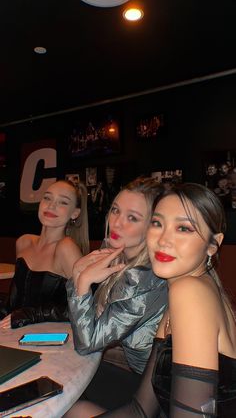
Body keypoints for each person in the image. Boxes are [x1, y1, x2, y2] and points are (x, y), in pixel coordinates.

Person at [71, 182, 236, 418]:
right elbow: (141, 409)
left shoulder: (190, 292)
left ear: (213, 244)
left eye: (184, 229)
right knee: (75, 410)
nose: (164, 239)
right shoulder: (184, 290)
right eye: (158, 224)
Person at [65, 177, 168, 411]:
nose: (117, 223)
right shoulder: (116, 252)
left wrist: (81, 282)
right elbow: (90, 322)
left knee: (66, 395)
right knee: (61, 382)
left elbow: (87, 343)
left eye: (132, 217)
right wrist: (77, 276)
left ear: (152, 226)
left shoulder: (144, 277)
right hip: (134, 375)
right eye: (115, 210)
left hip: (154, 394)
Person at [0, 179, 90, 329]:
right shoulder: (24, 242)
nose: (51, 205)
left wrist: (34, 314)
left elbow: (85, 309)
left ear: (75, 213)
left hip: (46, 340)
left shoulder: (66, 248)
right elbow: (16, 301)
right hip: (11, 335)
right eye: (47, 198)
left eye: (63, 202)